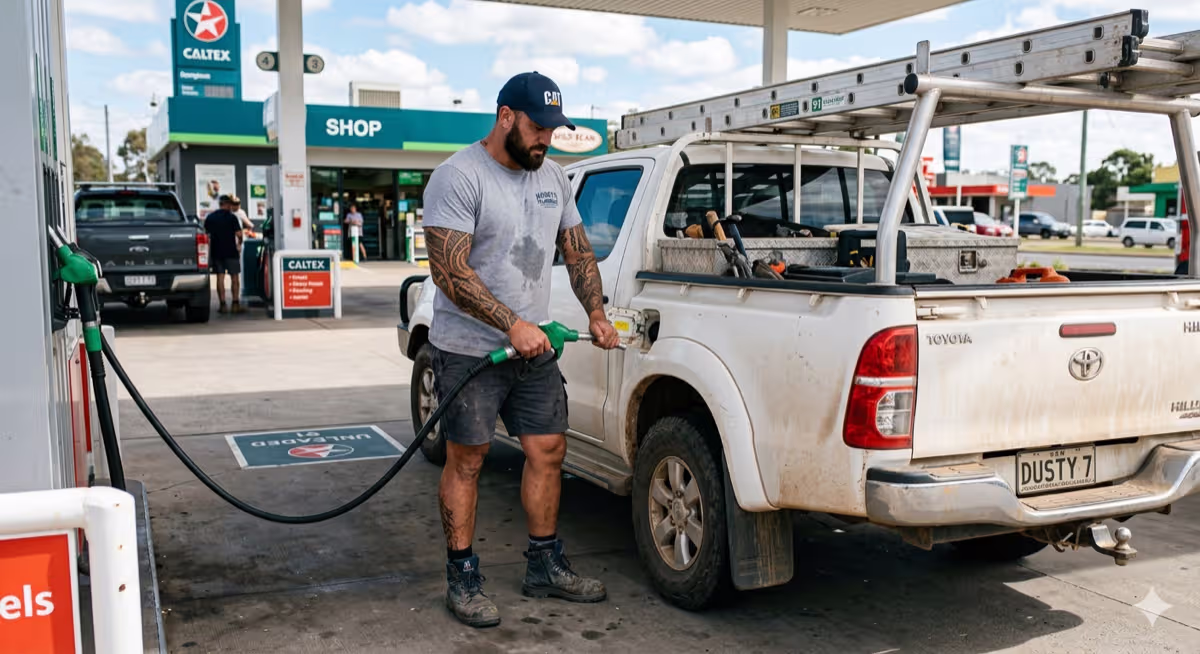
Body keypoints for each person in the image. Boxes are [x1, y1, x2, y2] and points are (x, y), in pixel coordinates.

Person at [422, 71, 620, 629]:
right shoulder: (459, 177)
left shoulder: (552, 176)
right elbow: (448, 272)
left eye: (553, 130)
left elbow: (577, 251)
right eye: (538, 128)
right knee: (468, 459)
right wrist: (511, 324)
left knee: (548, 450)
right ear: (506, 117)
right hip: (470, 350)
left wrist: (596, 312)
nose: (545, 140)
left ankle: (543, 565)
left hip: (531, 348)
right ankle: (462, 576)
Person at [203, 195, 245, 314]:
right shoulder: (232, 217)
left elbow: (206, 234)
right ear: (227, 204)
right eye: (230, 204)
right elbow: (239, 234)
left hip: (216, 251)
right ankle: (235, 304)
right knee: (234, 277)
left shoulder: (210, 217)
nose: (231, 206)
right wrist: (239, 244)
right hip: (231, 251)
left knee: (220, 277)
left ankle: (223, 305)